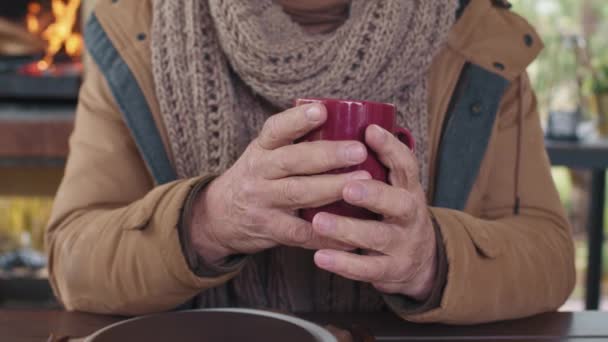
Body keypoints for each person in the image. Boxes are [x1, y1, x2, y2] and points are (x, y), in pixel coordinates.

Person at [45, 0, 575, 324]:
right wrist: (206, 221)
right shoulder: (135, 30)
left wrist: (432, 260)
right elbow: (73, 262)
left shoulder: (479, 36)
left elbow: (549, 260)